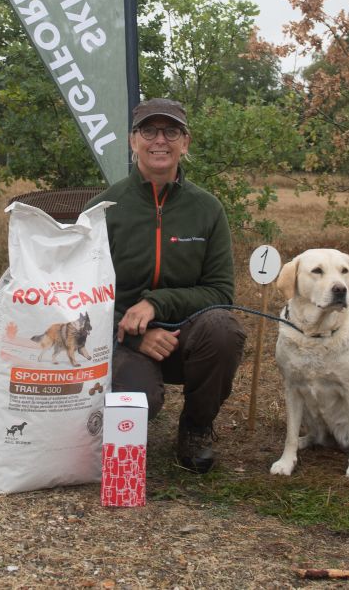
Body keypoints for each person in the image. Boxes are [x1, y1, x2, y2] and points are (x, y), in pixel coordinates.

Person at [88, 98, 246, 473]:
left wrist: (157, 304)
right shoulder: (103, 210)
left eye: (171, 131)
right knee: (138, 405)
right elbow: (79, 297)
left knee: (224, 330)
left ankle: (196, 427)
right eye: (149, 130)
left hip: (187, 338)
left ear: (185, 142)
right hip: (123, 340)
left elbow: (221, 293)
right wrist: (131, 333)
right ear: (133, 141)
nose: (160, 140)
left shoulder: (208, 209)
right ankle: (130, 416)